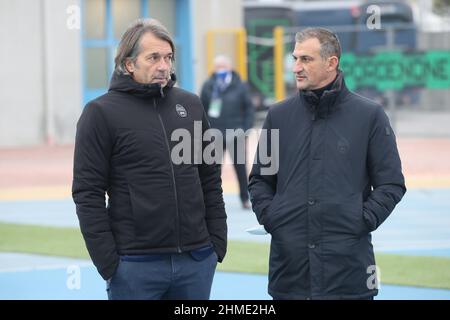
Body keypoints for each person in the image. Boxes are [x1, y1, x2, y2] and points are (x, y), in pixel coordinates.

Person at [72, 18, 227, 300]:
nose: (164, 66)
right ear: (129, 63)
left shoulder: (190, 104)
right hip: (135, 266)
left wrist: (216, 242)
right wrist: (109, 263)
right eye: (153, 57)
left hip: (196, 260)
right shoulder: (100, 113)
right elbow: (87, 193)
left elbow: (209, 176)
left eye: (168, 57)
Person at [248, 28, 406, 300]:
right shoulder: (278, 115)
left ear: (331, 63)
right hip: (290, 273)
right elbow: (260, 180)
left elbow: (391, 183)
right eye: (295, 58)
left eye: (306, 60)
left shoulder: (370, 115)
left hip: (348, 273)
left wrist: (361, 219)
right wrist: (274, 218)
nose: (296, 67)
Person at [200, 55, 255, 209]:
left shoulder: (240, 86)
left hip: (235, 132)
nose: (220, 70)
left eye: (223, 66)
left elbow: (249, 109)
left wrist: (245, 130)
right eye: (218, 67)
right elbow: (201, 109)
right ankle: (211, 200)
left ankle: (245, 198)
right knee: (213, 169)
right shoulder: (208, 85)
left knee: (240, 167)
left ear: (230, 67)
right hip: (214, 134)